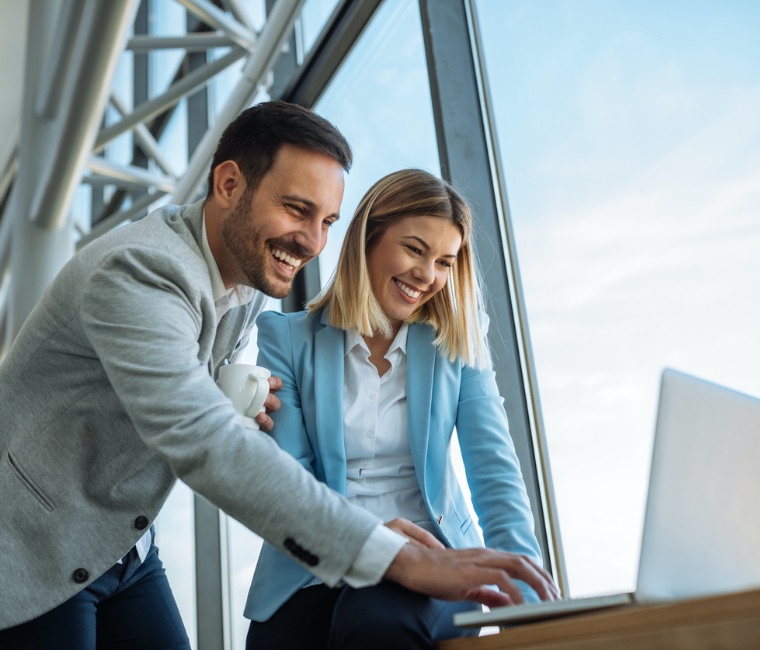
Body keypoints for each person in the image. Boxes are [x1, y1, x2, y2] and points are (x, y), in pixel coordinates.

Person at [0, 102, 555, 648]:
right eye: (296, 209)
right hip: (32, 546)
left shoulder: (242, 283)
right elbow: (204, 440)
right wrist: (397, 557)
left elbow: (183, 397)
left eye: (327, 221)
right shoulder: (141, 271)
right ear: (228, 185)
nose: (313, 242)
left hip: (124, 548)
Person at [244, 169, 558, 650]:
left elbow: (495, 473)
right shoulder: (287, 338)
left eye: (445, 262)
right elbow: (292, 478)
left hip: (434, 559)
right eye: (414, 249)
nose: (427, 276)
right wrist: (366, 540)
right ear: (368, 239)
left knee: (376, 622)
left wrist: (530, 599)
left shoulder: (457, 343)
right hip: (313, 564)